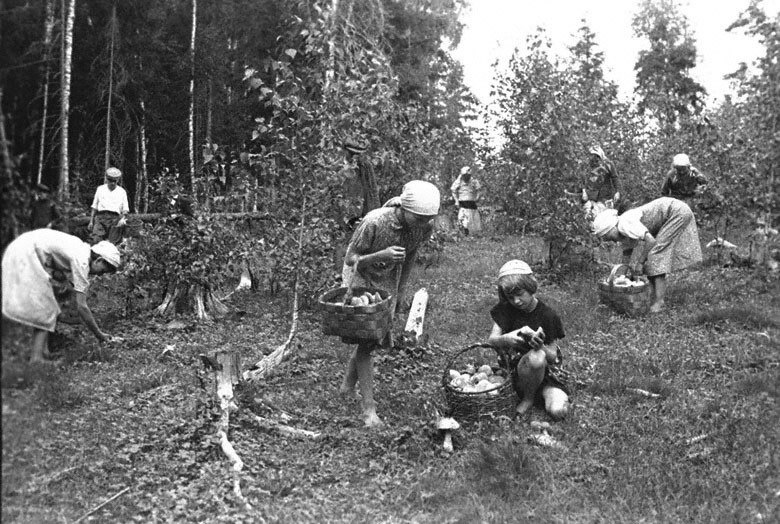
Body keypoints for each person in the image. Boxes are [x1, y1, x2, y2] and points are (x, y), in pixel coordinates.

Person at [340, 180, 440, 428]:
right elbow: (351, 259)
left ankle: (346, 388)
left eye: (429, 218)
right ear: (405, 209)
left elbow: (410, 256)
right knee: (367, 339)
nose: (425, 223)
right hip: (359, 277)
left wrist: (400, 293)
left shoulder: (422, 227)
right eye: (419, 218)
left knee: (372, 335)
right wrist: (380, 256)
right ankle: (369, 410)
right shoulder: (374, 221)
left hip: (386, 281)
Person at [2, 229, 121, 363]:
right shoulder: (81, 261)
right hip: (25, 253)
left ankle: (44, 352)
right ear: (99, 260)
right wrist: (100, 335)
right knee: (46, 308)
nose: (100, 275)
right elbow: (82, 307)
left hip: (27, 249)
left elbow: (58, 266)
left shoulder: (81, 248)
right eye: (102, 271)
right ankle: (37, 359)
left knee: (49, 305)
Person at [487, 260, 571, 419]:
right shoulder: (505, 310)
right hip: (516, 372)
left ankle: (540, 393)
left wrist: (541, 347)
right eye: (511, 297)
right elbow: (491, 340)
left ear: (531, 288)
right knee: (535, 358)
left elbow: (553, 356)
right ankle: (528, 398)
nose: (516, 301)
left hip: (545, 376)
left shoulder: (548, 315)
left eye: (520, 295)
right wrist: (506, 339)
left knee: (558, 410)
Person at [591, 197, 703, 314]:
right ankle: (653, 297)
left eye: (608, 236)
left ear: (611, 227)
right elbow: (627, 253)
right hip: (672, 213)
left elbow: (651, 241)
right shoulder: (622, 230)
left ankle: (660, 302)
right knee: (652, 260)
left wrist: (640, 262)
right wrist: (620, 277)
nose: (611, 241)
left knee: (656, 256)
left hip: (676, 211)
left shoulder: (624, 223)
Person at [88, 167, 129, 245]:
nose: (112, 183)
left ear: (117, 180)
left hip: (115, 219)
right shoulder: (100, 189)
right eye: (110, 180)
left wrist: (122, 219)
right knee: (95, 241)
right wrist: (91, 221)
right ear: (107, 179)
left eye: (115, 181)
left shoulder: (122, 192)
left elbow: (125, 209)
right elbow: (94, 206)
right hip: (100, 218)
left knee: (112, 243)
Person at [582, 145, 621, 217]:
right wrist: (584, 191)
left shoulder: (608, 164)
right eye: (592, 155)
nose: (594, 158)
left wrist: (617, 191)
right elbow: (583, 180)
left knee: (605, 218)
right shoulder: (588, 166)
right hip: (591, 197)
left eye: (596, 156)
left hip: (605, 197)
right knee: (590, 216)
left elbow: (615, 178)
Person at [450, 165, 482, 236]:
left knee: (474, 218)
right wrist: (456, 201)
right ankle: (464, 233)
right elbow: (453, 190)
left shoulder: (474, 181)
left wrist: (477, 197)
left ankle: (474, 233)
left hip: (472, 203)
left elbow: (479, 190)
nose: (466, 177)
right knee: (463, 219)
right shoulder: (459, 181)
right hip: (463, 203)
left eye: (468, 175)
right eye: (465, 176)